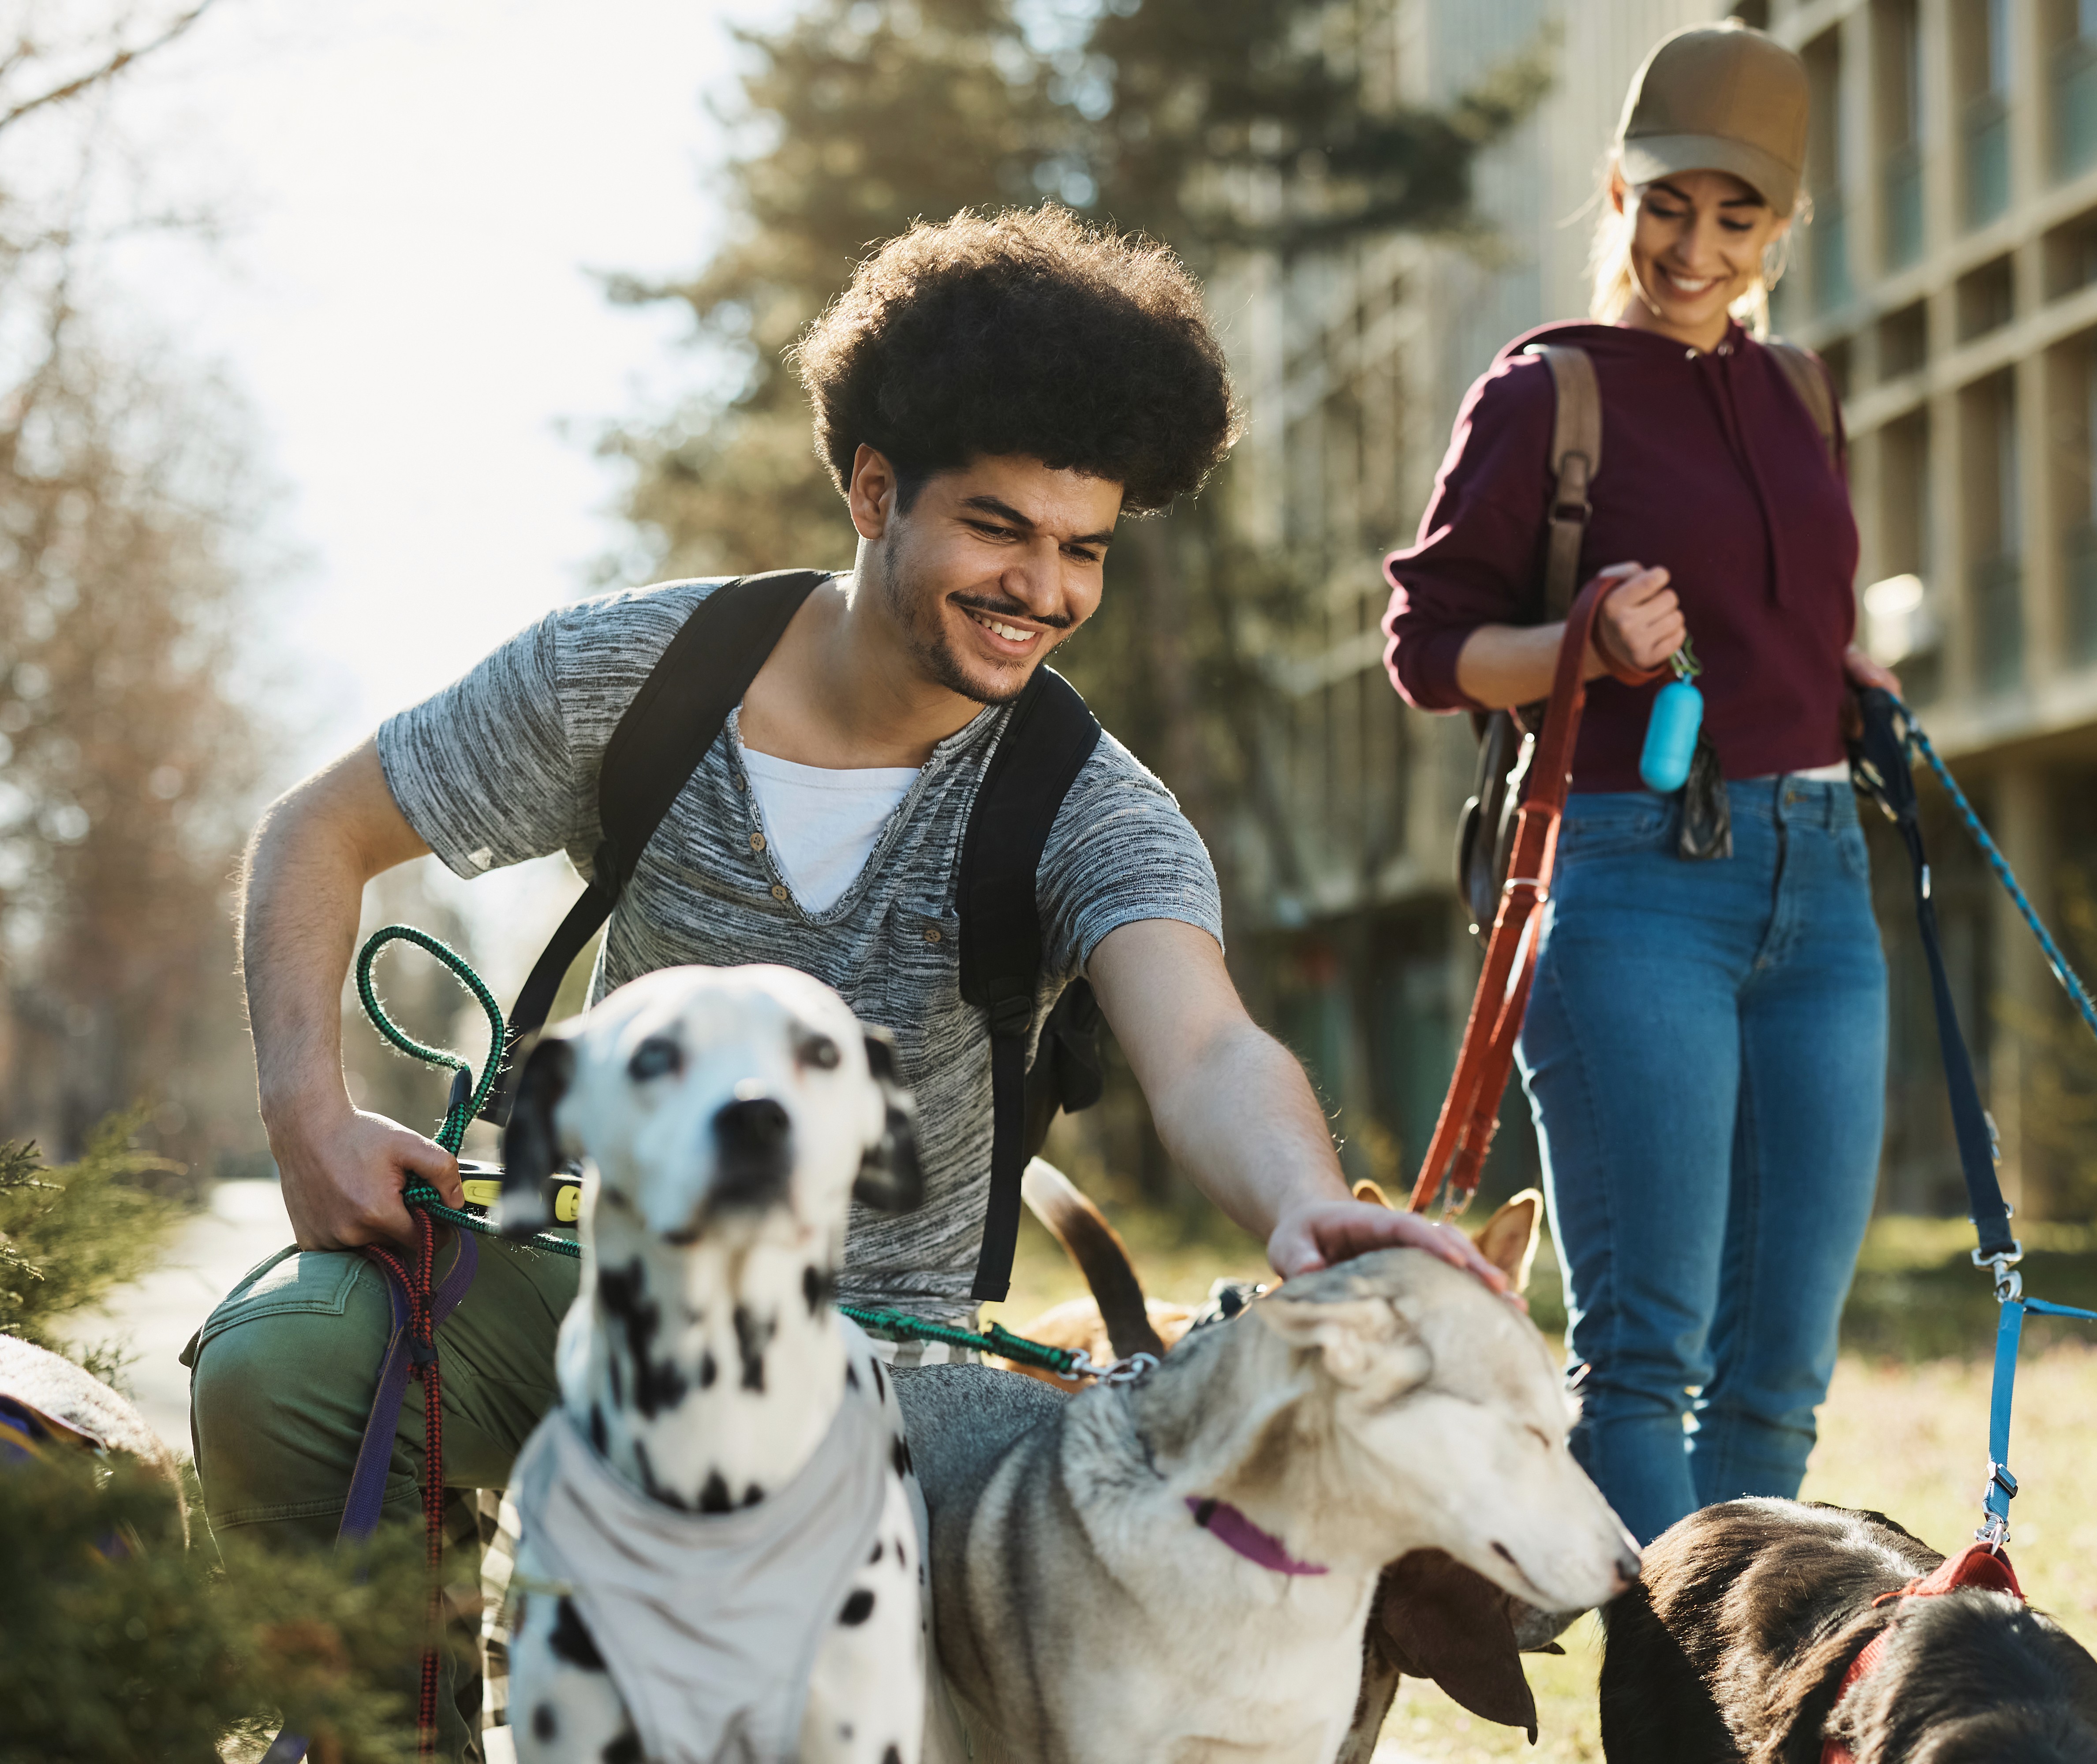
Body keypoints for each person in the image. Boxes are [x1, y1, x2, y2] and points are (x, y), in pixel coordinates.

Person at [191, 206, 1499, 1754]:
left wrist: (1299, 1204)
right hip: (611, 1295)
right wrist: (307, 1109)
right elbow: (319, 829)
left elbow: (1204, 1042)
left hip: (884, 1378)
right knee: (287, 1358)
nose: (1045, 589)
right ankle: (391, 1733)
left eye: (1084, 548)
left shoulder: (1089, 805)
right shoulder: (634, 677)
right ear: (874, 489)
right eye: (999, 528)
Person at [1380, 23, 1899, 1546]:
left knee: (1783, 1372)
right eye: (1670, 203)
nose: (1696, 245)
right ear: (1618, 190)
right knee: (1648, 1357)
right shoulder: (1549, 392)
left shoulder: (1803, 393)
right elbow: (1427, 649)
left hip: (1826, 884)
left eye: (1737, 216)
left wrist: (1845, 683)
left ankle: (1736, 1682)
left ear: (1781, 228)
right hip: (1629, 891)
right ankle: (1674, 1707)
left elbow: (1794, 621)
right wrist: (1584, 642)